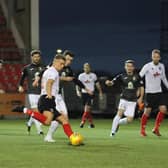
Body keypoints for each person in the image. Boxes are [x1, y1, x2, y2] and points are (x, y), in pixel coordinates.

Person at [12, 54, 75, 141]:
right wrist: (49, 95)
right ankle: (25, 110)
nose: (62, 66)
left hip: (47, 98)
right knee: (47, 122)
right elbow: (49, 83)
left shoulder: (50, 71)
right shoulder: (53, 72)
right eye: (61, 63)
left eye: (63, 64)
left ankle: (73, 138)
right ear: (55, 62)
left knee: (64, 120)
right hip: (47, 99)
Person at [44, 50, 92, 142]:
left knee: (64, 117)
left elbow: (75, 80)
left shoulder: (68, 69)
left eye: (71, 60)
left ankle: (55, 136)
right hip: (51, 95)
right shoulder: (53, 66)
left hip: (59, 95)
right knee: (58, 117)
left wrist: (86, 89)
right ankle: (58, 136)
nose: (69, 62)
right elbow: (47, 76)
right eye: (68, 59)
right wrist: (65, 78)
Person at [105, 60, 144, 137]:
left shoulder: (137, 76)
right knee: (119, 113)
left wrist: (141, 97)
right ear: (125, 67)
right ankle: (112, 133)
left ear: (133, 67)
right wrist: (108, 83)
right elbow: (112, 82)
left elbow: (141, 87)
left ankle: (118, 123)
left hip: (133, 101)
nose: (129, 68)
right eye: (127, 66)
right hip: (124, 99)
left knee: (130, 120)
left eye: (130, 66)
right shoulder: (121, 76)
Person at [140, 49, 168, 137]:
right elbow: (140, 76)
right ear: (152, 57)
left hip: (159, 92)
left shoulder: (162, 66)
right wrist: (139, 87)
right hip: (149, 93)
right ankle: (142, 130)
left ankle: (156, 128)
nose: (155, 58)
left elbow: (163, 78)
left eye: (157, 57)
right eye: (154, 57)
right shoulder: (147, 66)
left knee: (163, 110)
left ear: (159, 58)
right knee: (147, 112)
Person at [18, 50, 45, 135]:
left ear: (40, 58)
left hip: (42, 92)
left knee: (39, 111)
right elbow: (22, 79)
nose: (36, 58)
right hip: (32, 92)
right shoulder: (27, 68)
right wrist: (20, 86)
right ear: (32, 57)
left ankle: (29, 123)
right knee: (36, 111)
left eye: (38, 57)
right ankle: (39, 130)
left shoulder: (44, 67)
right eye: (35, 56)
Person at [77, 63, 103, 128]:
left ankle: (82, 122)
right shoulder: (81, 76)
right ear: (83, 68)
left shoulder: (93, 75)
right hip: (84, 94)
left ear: (90, 68)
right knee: (87, 110)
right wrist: (78, 91)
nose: (87, 69)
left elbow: (97, 84)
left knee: (87, 109)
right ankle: (91, 124)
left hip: (91, 94)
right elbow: (78, 84)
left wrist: (100, 92)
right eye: (85, 67)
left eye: (88, 67)